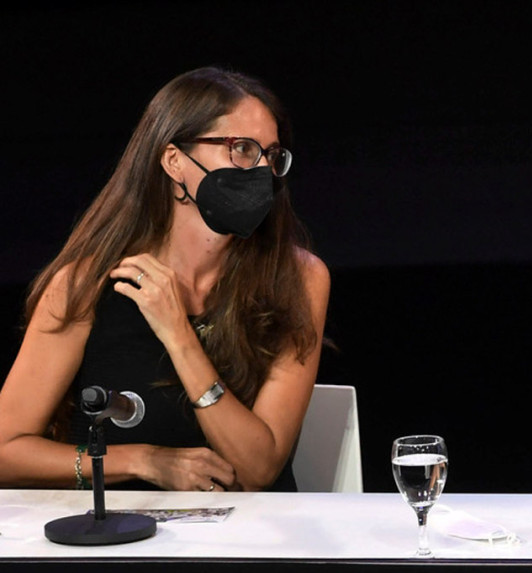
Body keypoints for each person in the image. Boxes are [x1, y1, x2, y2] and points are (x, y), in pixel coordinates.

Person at [0, 67, 330, 492]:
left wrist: (178, 334)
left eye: (272, 155)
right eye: (243, 149)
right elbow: (6, 450)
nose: (261, 170)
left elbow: (257, 471)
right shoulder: (84, 286)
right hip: (126, 544)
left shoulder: (299, 277)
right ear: (174, 161)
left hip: (250, 543)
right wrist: (142, 460)